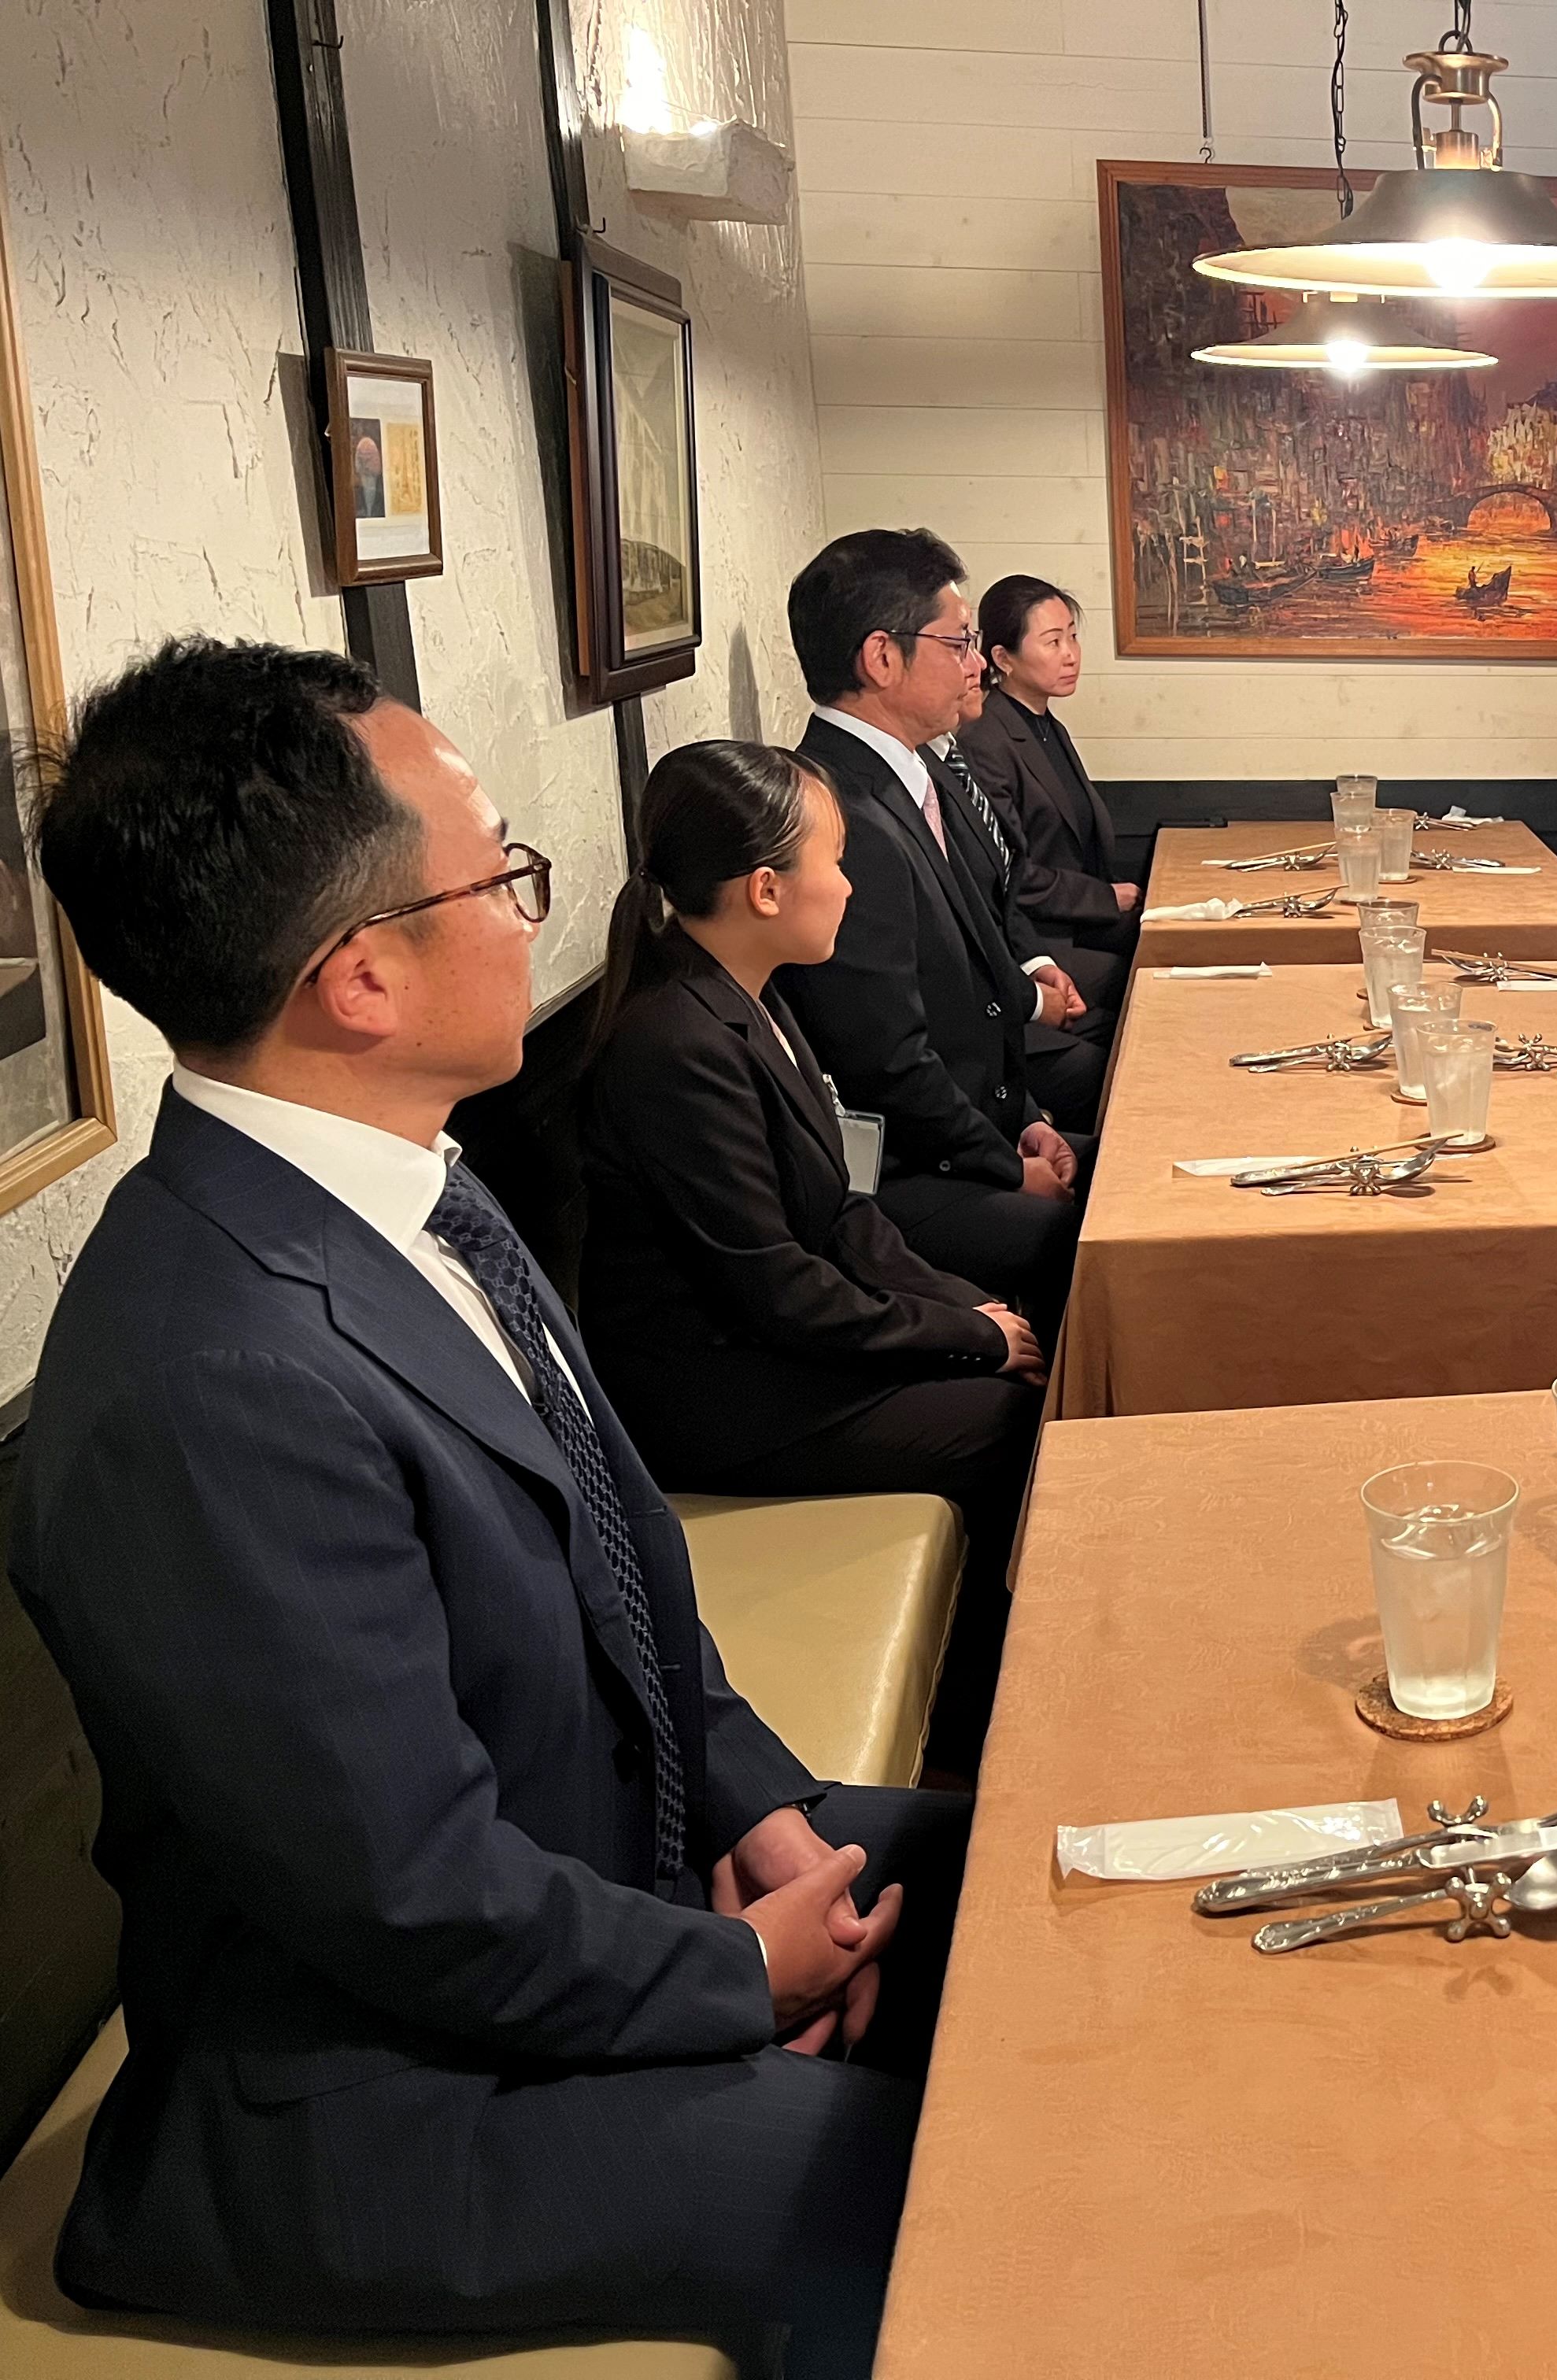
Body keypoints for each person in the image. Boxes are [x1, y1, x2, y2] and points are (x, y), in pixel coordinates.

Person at [13, 638, 957, 2376]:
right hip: (384, 2086)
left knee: (1020, 1871)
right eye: (503, 874)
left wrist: (755, 1808)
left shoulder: (415, 1183)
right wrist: (733, 1978)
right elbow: (411, 1896)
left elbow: (626, 1567)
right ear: (362, 976)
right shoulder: (212, 1378)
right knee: (957, 2193)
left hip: (604, 1878)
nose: (538, 914)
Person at [578, 737, 1044, 1757]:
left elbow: (842, 1214)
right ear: (764, 889)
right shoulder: (677, 1045)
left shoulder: (753, 996)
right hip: (720, 1396)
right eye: (835, 861)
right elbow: (776, 1290)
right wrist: (965, 1339)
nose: (848, 885)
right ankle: (985, 1731)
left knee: (1016, 1347)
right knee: (1009, 1423)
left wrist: (969, 1310)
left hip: (770, 1343)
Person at [776, 527, 1085, 1318]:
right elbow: (888, 1061)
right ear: (882, 658)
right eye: (959, 642)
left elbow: (982, 981)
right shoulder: (841, 813)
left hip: (977, 1124)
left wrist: (1027, 1120)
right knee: (1094, 1231)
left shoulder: (921, 775)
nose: (978, 665)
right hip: (899, 1172)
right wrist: (1005, 1165)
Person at [929, 668, 1112, 1125]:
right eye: (957, 646)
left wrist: (1037, 964)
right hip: (972, 1025)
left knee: (1137, 1021)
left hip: (1015, 964)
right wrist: (1032, 999)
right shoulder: (955, 754)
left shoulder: (948, 757)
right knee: (1113, 1061)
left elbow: (1000, 888)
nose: (974, 667)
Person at [955, 575, 1138, 980]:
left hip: (1080, 922)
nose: (1070, 655)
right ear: (1003, 659)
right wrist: (1104, 897)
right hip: (1039, 940)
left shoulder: (1047, 726)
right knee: (1149, 971)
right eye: (1053, 642)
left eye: (1072, 637)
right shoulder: (986, 738)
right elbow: (1010, 873)